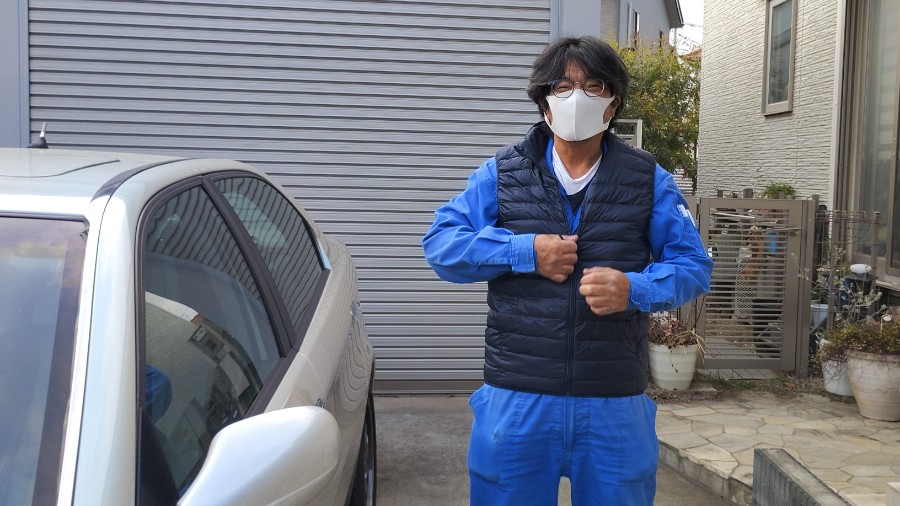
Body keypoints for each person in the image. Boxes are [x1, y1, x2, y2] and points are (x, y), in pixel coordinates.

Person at [422, 36, 713, 506]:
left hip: (613, 401)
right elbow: (441, 244)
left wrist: (634, 288)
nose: (577, 97)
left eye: (593, 86)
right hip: (517, 396)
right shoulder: (503, 173)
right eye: (562, 86)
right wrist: (524, 251)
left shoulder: (648, 179)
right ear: (544, 102)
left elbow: (694, 266)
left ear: (613, 103)